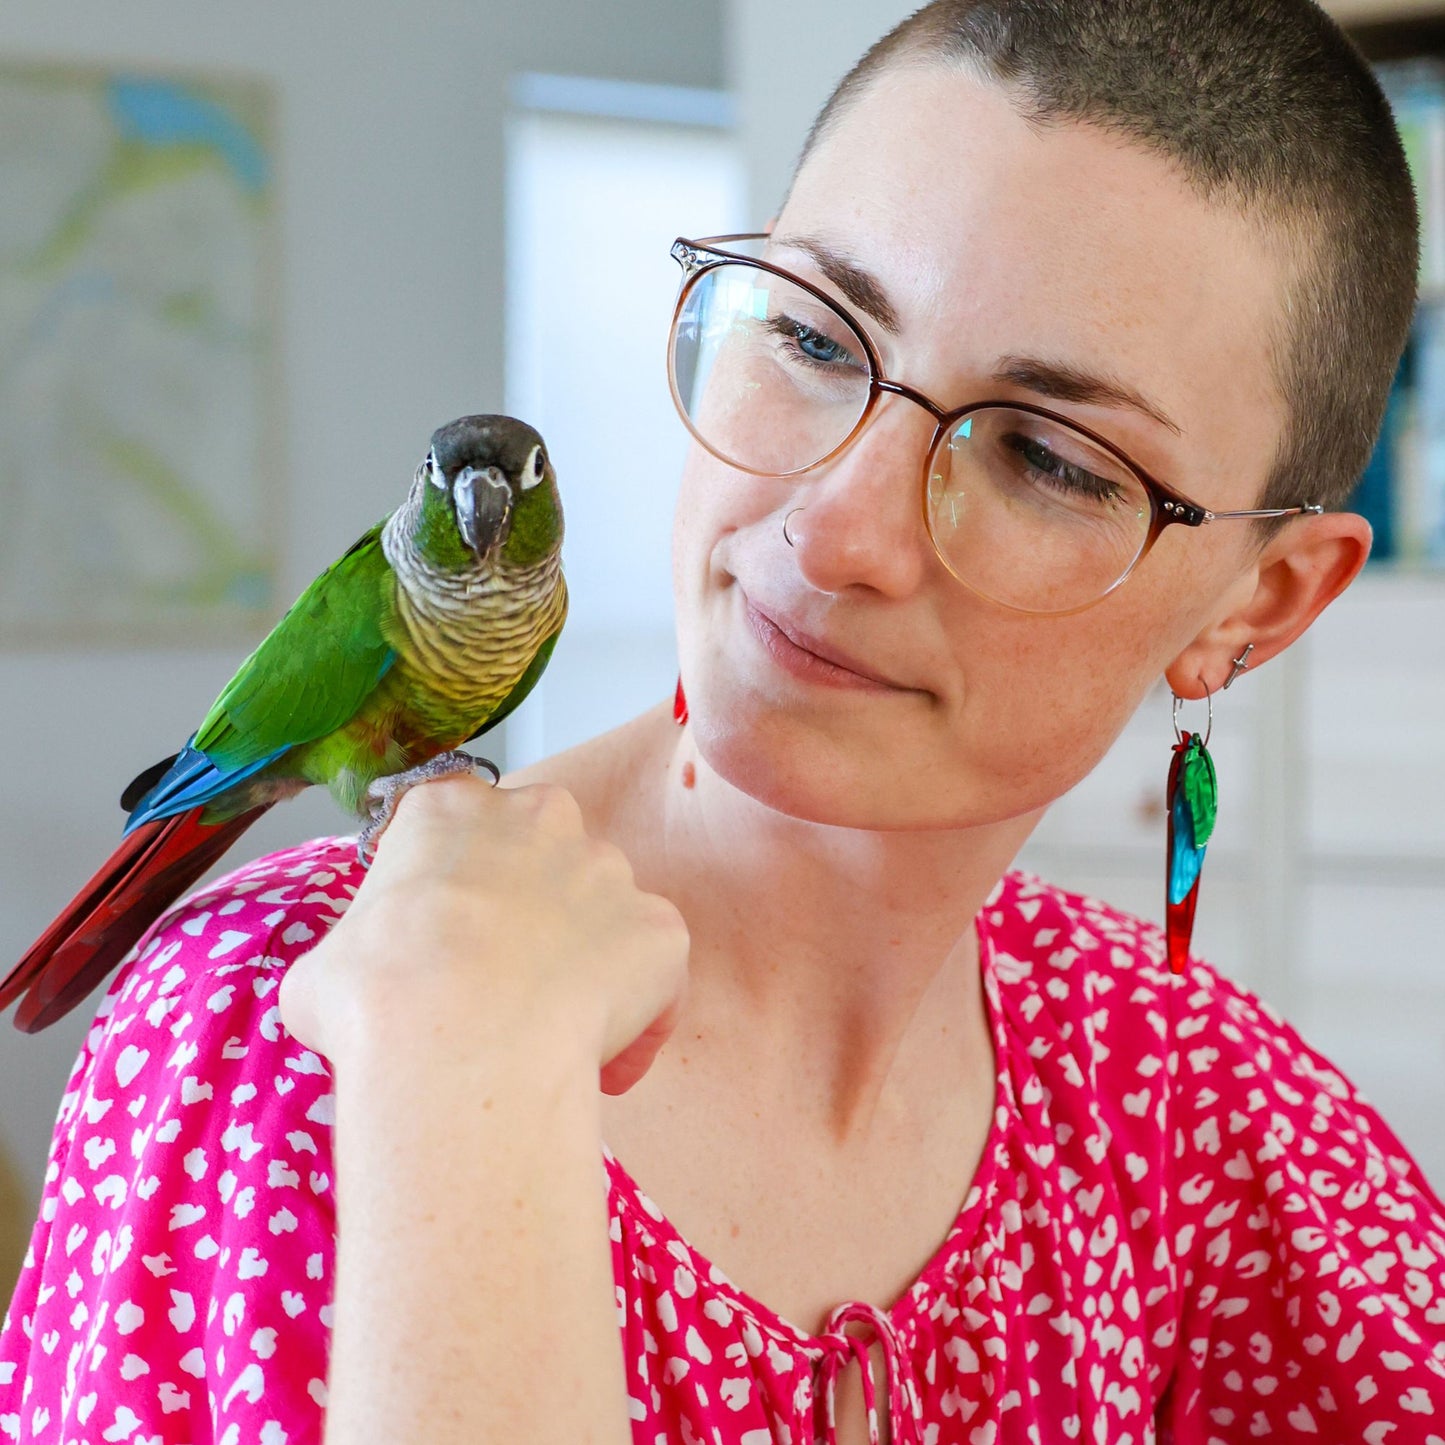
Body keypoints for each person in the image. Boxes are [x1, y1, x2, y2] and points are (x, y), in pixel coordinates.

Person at [5, 0, 1445, 1441]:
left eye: (1046, 458)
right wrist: (461, 1092)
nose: (834, 532)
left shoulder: (1199, 1102)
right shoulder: (286, 1028)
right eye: (815, 337)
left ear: (1251, 605)